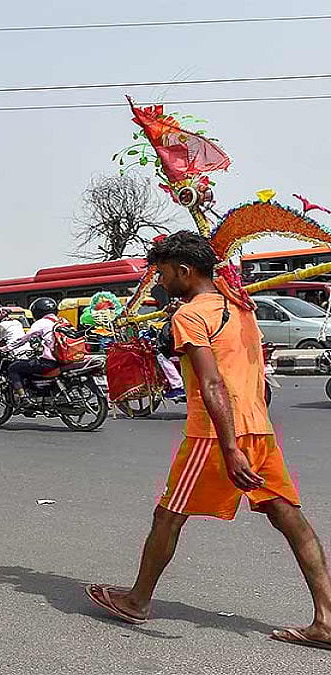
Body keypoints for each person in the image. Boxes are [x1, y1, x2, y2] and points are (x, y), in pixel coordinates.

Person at [86, 231, 331, 651]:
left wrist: (230, 447)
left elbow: (212, 383)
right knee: (290, 518)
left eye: (162, 274)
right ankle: (326, 620)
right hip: (260, 428)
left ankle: (137, 600)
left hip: (214, 436)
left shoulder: (190, 315)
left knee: (168, 515)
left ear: (184, 271)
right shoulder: (240, 305)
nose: (160, 282)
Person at [2, 297, 62, 402]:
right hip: (64, 360)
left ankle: (23, 397)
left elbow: (24, 339)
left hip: (50, 362)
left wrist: (6, 348)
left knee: (13, 367)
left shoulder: (41, 323)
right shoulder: (62, 320)